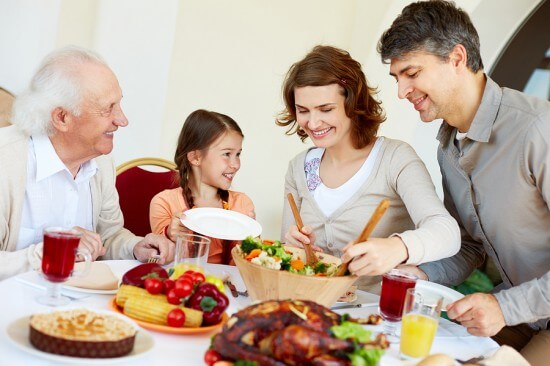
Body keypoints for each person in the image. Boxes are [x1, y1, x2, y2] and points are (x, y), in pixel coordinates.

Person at [378, 1, 550, 364]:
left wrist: (503, 305)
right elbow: (471, 246)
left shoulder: (538, 130)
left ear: (457, 58)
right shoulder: (448, 149)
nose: (402, 91)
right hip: (521, 314)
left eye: (411, 73)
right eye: (397, 79)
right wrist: (421, 272)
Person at [277, 45, 460, 292]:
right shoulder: (299, 168)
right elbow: (286, 259)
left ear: (352, 103)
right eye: (303, 110)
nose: (313, 122)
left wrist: (397, 248)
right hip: (309, 308)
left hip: (375, 319)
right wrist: (291, 246)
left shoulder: (394, 158)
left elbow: (446, 232)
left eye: (326, 109)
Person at [0, 46, 175, 281]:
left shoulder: (100, 163)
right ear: (62, 117)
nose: (122, 120)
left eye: (119, 104)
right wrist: (56, 250)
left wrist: (136, 247)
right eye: (107, 109)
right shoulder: (6, 162)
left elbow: (108, 236)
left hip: (79, 311)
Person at [150, 109, 255, 264]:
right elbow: (163, 260)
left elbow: (242, 268)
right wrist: (168, 234)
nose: (235, 164)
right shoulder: (164, 202)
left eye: (238, 154)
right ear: (195, 157)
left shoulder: (242, 204)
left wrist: (249, 243)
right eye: (227, 154)